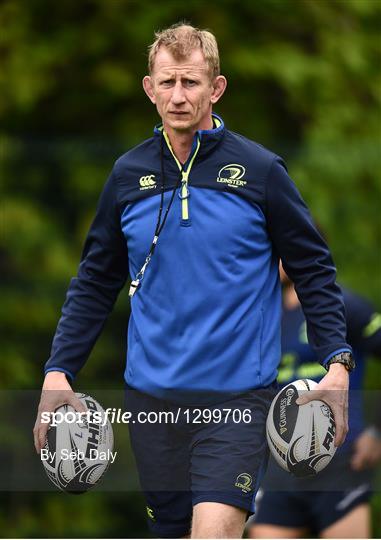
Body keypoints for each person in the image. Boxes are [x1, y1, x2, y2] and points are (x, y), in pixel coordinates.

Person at [33, 23, 355, 538]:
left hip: (239, 400)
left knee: (214, 531)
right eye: (167, 83)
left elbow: (314, 269)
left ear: (216, 88)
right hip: (152, 403)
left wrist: (337, 362)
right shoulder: (125, 176)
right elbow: (95, 281)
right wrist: (58, 371)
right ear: (149, 88)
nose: (178, 97)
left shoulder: (260, 171)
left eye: (191, 83)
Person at [248, 263, 381, 539]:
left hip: (339, 459)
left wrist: (377, 432)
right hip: (278, 465)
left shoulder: (343, 304)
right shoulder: (261, 314)